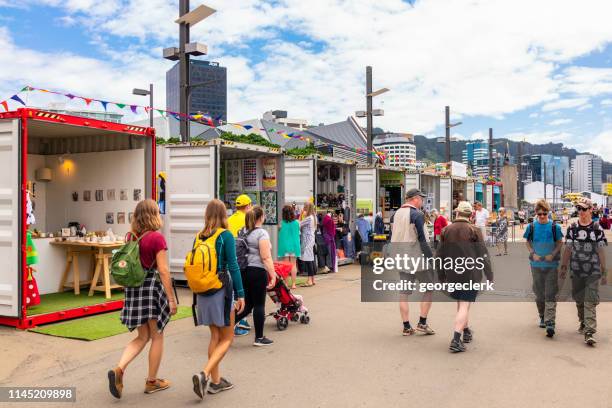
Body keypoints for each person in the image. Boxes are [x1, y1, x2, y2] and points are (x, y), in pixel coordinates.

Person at [108, 199, 178, 399]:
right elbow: (163, 271)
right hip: (150, 289)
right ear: (154, 214)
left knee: (142, 336)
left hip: (133, 290)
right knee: (157, 336)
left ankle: (119, 369)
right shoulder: (156, 238)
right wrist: (171, 299)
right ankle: (151, 382)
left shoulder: (131, 236)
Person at [191, 199, 246, 399]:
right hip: (221, 290)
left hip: (203, 291)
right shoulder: (225, 236)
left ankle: (215, 381)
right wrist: (241, 294)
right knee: (228, 337)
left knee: (214, 336)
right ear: (224, 215)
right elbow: (233, 266)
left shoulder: (199, 236)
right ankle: (204, 374)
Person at [436, 201, 493, 353]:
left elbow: (439, 255)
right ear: (471, 215)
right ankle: (456, 339)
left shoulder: (446, 230)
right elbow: (483, 255)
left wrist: (441, 276)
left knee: (461, 302)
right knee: (464, 304)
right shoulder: (475, 230)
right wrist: (489, 274)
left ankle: (466, 330)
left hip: (452, 273)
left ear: (457, 213)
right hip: (471, 273)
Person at [560, 197, 608, 346]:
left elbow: (600, 250)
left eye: (584, 209)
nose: (581, 212)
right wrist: (563, 266)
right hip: (576, 269)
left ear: (591, 210)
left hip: (592, 270)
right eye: (579, 209)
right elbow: (568, 248)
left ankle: (589, 332)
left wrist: (604, 270)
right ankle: (583, 321)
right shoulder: (572, 227)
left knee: (589, 300)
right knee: (579, 299)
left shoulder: (596, 228)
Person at [391, 188, 436, 336]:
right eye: (421, 199)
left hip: (402, 259)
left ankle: (406, 326)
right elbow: (423, 240)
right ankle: (422, 323)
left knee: (404, 293)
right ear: (415, 199)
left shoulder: (396, 214)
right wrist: (431, 258)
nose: (422, 201)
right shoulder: (417, 214)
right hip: (418, 259)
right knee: (429, 289)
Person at [235, 206, 277, 346]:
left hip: (243, 271)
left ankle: (226, 327)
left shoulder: (243, 231)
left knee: (247, 305)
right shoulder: (261, 233)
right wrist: (273, 274)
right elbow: (265, 257)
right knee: (259, 305)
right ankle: (259, 338)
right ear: (261, 217)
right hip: (257, 271)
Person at [523, 199, 563, 337]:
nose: (541, 216)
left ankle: (550, 322)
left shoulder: (555, 227)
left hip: (552, 266)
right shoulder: (531, 227)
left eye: (544, 213)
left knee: (550, 293)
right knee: (539, 294)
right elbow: (527, 241)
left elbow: (559, 243)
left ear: (548, 213)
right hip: (536, 266)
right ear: (536, 213)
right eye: (539, 213)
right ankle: (542, 316)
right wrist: (532, 253)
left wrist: (553, 254)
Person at [227, 194, 252, 336]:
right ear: (248, 206)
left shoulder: (229, 220)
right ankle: (239, 322)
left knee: (235, 292)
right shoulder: (249, 220)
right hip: (244, 261)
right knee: (243, 292)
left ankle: (235, 320)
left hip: (231, 261)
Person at [278, 205, 301, 289]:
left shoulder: (281, 223)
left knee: (286, 265)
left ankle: (286, 284)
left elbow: (280, 230)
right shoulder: (297, 223)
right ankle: (294, 284)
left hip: (285, 245)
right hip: (294, 245)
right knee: (293, 264)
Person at [299, 202, 317, 286]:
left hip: (307, 240)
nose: (304, 208)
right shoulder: (314, 217)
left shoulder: (309, 218)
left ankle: (309, 280)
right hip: (311, 239)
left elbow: (299, 224)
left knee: (308, 259)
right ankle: (312, 279)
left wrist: (301, 214)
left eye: (304, 207)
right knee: (311, 259)